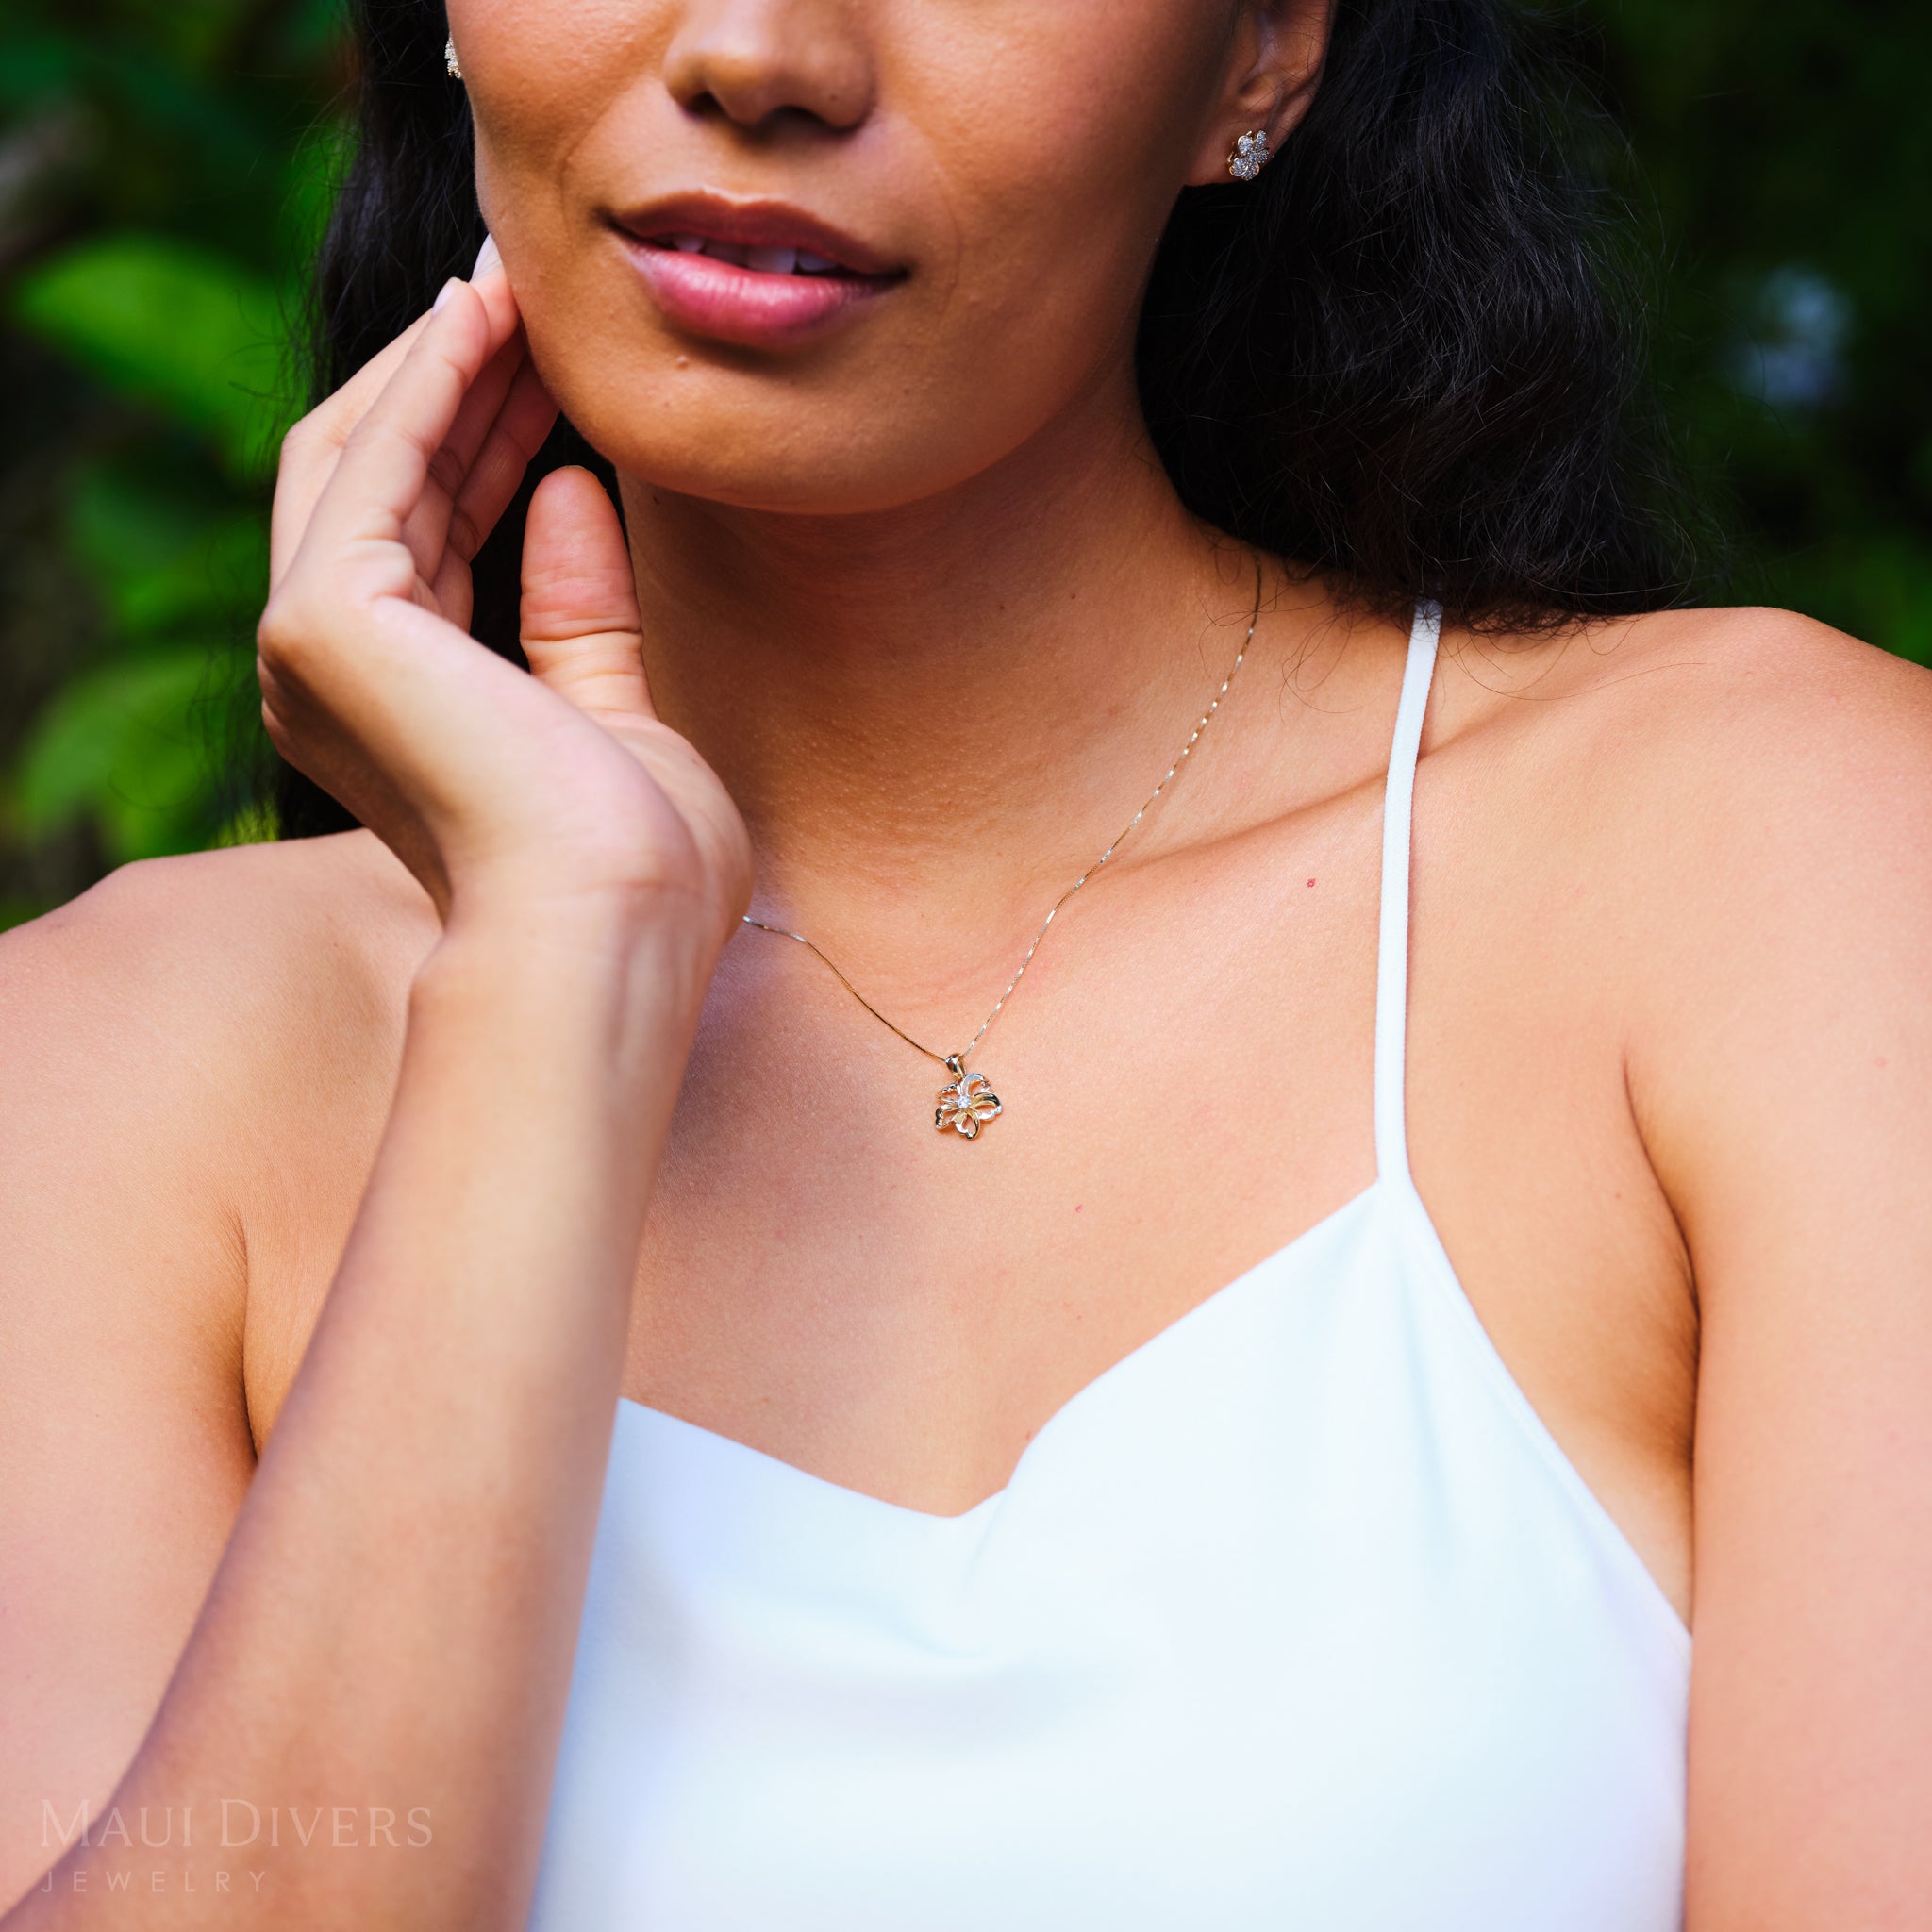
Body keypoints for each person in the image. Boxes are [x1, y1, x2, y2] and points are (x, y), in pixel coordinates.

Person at [4, 0, 1929, 1924]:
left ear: (1261, 55)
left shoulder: (1778, 860)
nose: (759, 52)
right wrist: (547, 984)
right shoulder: (99, 1078)